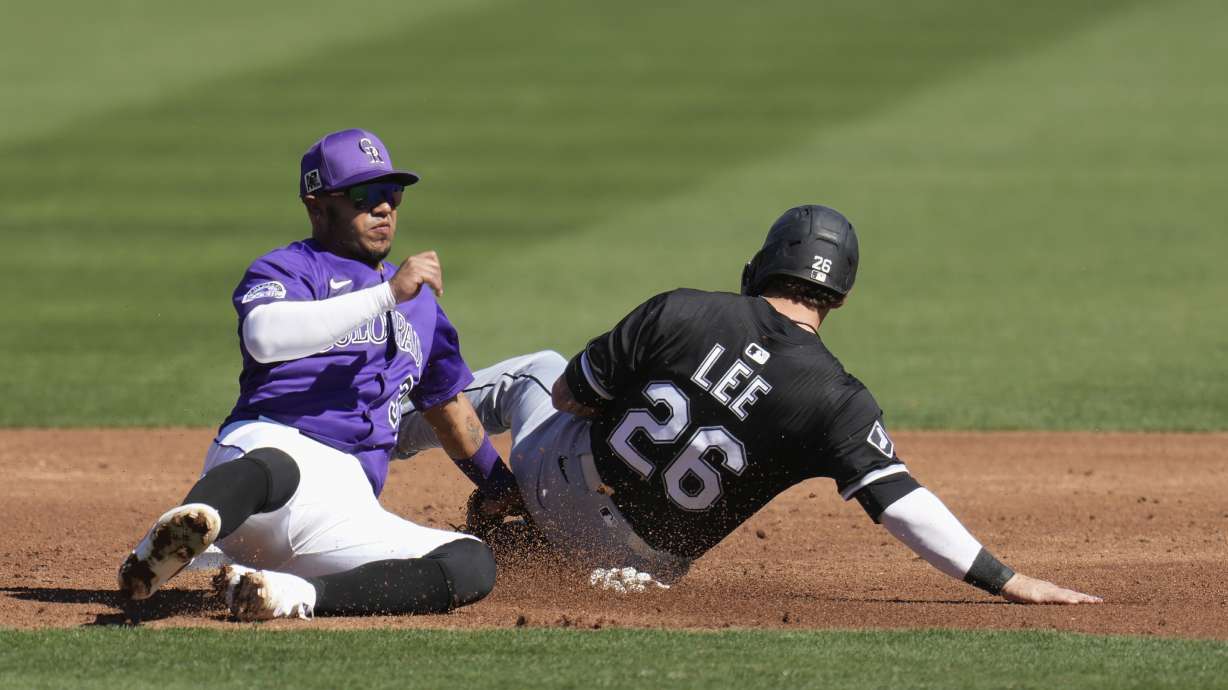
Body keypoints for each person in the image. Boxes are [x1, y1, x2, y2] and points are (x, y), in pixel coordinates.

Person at [396, 204, 1101, 604]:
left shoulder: (682, 311)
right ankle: (562, 552)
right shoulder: (839, 400)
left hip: (561, 490)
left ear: (759, 266)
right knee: (649, 535)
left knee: (539, 370)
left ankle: (377, 434)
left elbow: (566, 397)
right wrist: (1006, 580)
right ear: (840, 299)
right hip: (636, 569)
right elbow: (902, 503)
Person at [117, 128, 518, 620]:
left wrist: (504, 490)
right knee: (272, 467)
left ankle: (289, 595)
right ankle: (162, 550)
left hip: (342, 510)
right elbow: (265, 337)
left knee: (471, 562)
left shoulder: (422, 307)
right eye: (364, 196)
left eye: (392, 195)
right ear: (317, 206)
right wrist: (387, 294)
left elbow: (448, 408)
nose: (384, 208)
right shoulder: (291, 268)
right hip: (270, 458)